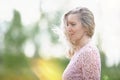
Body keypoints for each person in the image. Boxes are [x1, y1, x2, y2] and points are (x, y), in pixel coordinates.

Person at [61, 7, 101, 80]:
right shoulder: (79, 51)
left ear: (85, 26)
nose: (68, 29)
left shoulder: (89, 52)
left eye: (73, 24)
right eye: (67, 25)